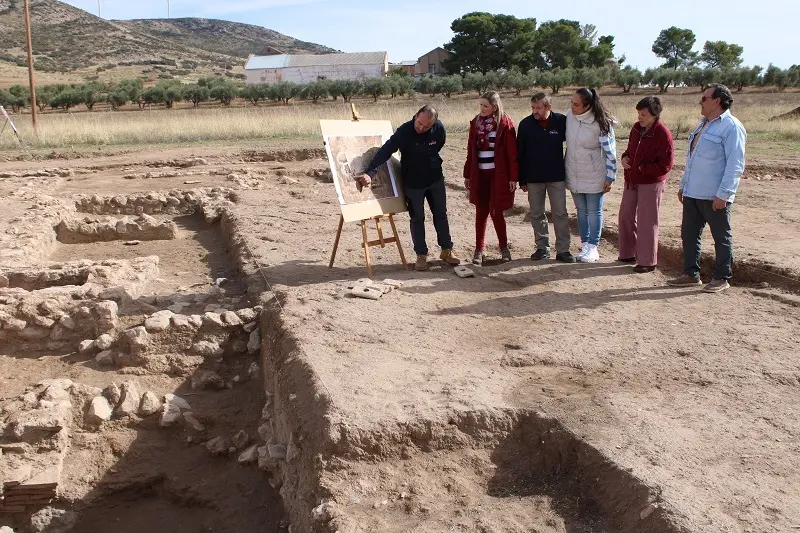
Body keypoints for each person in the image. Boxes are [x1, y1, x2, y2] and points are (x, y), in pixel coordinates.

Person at [360, 105, 461, 271]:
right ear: (415, 116)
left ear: (433, 124)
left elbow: (439, 144)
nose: (421, 128)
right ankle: (421, 255)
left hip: (435, 179)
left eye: (426, 126)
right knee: (417, 218)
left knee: (441, 214)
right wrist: (370, 174)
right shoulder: (404, 131)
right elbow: (385, 151)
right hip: (413, 183)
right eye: (419, 123)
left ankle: (447, 250)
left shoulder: (439, 128)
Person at [667, 83, 746, 293]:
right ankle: (690, 274)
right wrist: (684, 185)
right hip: (693, 192)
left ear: (717, 101)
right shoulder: (703, 124)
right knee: (689, 234)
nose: (700, 102)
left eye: (704, 98)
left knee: (721, 236)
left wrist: (725, 194)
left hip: (715, 195)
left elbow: (735, 164)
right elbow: (692, 159)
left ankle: (722, 277)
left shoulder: (732, 127)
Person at [618, 96, 675, 273]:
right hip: (632, 179)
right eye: (638, 113)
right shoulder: (636, 128)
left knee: (647, 220)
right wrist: (625, 158)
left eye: (643, 114)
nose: (639, 117)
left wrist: (643, 168)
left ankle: (647, 261)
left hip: (651, 182)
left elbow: (666, 164)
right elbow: (630, 150)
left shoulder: (663, 133)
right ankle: (628, 253)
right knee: (625, 215)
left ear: (654, 115)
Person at [517, 92, 574, 263]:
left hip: (556, 176)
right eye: (533, 108)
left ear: (549, 107)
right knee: (536, 213)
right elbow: (520, 153)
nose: (535, 111)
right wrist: (522, 179)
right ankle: (542, 248)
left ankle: (563, 250)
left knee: (560, 213)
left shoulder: (561, 121)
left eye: (538, 108)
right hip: (533, 178)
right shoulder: (525, 125)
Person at [463, 91, 518, 265]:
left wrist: (512, 178)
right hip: (480, 174)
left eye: (485, 105)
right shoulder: (476, 123)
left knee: (496, 211)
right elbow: (470, 151)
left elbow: (512, 153)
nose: (482, 109)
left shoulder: (504, 123)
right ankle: (479, 249)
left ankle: (504, 248)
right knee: (481, 212)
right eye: (480, 105)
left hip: (498, 175)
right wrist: (467, 174)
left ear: (494, 107)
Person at [565, 87, 617, 263]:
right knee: (581, 211)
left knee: (594, 211)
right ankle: (585, 244)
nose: (572, 107)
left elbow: (611, 152)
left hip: (595, 175)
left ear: (587, 105)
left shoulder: (601, 122)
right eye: (571, 102)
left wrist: (610, 176)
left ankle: (593, 247)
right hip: (573, 173)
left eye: (576, 104)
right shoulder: (569, 117)